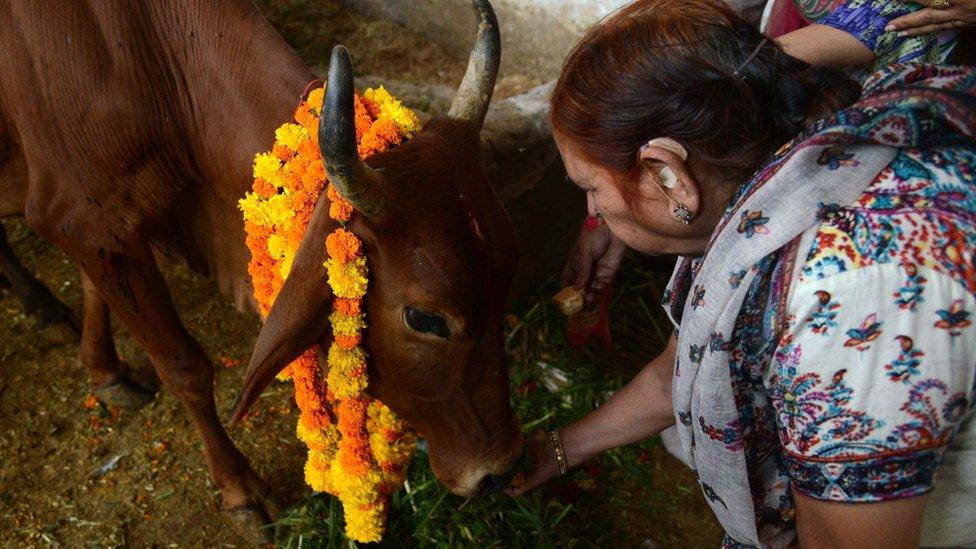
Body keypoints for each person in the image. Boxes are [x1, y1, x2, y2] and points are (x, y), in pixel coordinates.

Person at [506, 0, 976, 546]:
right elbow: (679, 368)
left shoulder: (847, 296)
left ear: (667, 175)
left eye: (590, 187)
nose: (593, 213)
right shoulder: (770, 179)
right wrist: (559, 449)